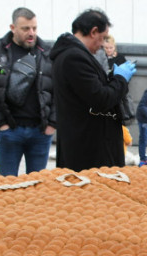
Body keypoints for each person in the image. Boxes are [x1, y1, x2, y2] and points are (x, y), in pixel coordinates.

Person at [50, 9, 136, 170]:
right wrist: (121, 79)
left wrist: (111, 79)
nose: (103, 44)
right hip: (87, 149)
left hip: (86, 143)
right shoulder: (74, 57)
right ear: (93, 32)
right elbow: (100, 99)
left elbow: (91, 90)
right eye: (102, 38)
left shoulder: (75, 54)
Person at [0, 7, 55, 176]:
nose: (31, 33)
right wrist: (2, 124)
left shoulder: (47, 54)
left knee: (38, 186)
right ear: (13, 28)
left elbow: (58, 89)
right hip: (11, 130)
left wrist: (52, 124)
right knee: (7, 185)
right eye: (25, 28)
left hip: (40, 132)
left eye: (34, 28)